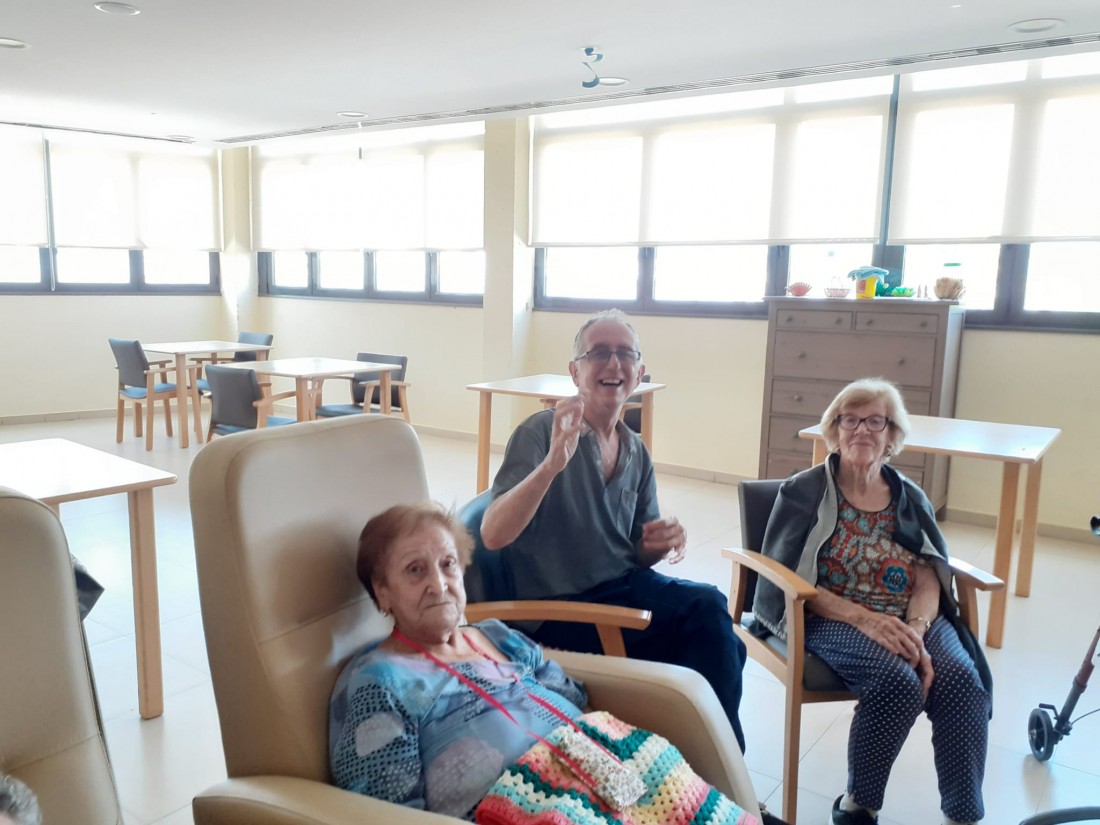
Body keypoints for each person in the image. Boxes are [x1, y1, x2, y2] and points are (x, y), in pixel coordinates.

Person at [328, 502, 759, 823]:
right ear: (382, 592)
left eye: (448, 564)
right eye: (415, 571)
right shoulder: (377, 682)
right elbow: (387, 813)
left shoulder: (494, 634)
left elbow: (575, 698)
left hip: (612, 789)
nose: (439, 584)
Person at [479, 308, 747, 752]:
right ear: (575, 372)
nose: (613, 363)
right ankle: (724, 768)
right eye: (598, 352)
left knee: (726, 644)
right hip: (561, 612)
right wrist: (552, 465)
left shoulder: (635, 450)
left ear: (639, 373)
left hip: (619, 592)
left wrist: (656, 544)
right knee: (709, 614)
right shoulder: (541, 433)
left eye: (625, 354)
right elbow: (493, 534)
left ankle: (682, 763)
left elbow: (637, 553)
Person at [751, 378, 992, 825]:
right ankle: (858, 806)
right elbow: (787, 576)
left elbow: (928, 571)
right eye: (851, 420)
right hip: (830, 613)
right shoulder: (804, 491)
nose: (862, 430)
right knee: (896, 682)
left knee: (962, 680)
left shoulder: (910, 497)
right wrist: (865, 619)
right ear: (835, 429)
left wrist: (916, 630)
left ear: (891, 434)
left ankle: (962, 815)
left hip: (912, 615)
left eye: (875, 421)